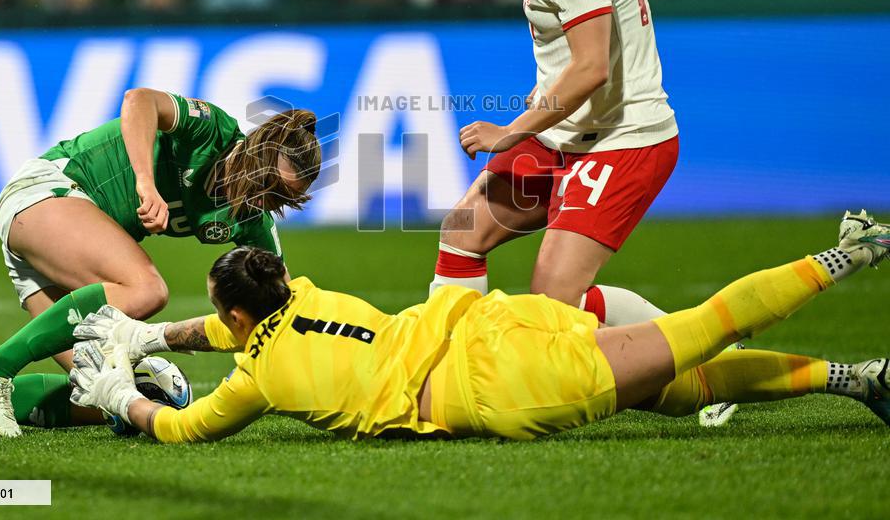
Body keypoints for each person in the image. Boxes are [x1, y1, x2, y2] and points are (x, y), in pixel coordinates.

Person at [65, 212, 890, 443]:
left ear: (239, 316)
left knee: (701, 334)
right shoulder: (308, 291)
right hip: (496, 328)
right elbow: (230, 331)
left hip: (496, 388)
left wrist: (117, 396)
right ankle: (858, 381)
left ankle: (853, 252)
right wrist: (154, 337)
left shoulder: (260, 379)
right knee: (682, 388)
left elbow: (180, 428)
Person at [0, 89, 321, 438]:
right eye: (270, 187)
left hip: (57, 241)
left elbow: (282, 307)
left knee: (104, 390)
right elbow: (139, 100)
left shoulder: (250, 219)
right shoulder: (213, 131)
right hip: (49, 192)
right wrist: (145, 181)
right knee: (147, 289)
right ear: (257, 152)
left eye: (285, 200)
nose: (269, 202)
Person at [430, 0, 678, 327]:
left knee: (554, 301)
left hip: (621, 140)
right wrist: (544, 92)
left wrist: (510, 133)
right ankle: (447, 369)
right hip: (568, 133)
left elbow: (590, 68)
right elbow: (577, 55)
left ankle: (708, 349)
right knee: (463, 229)